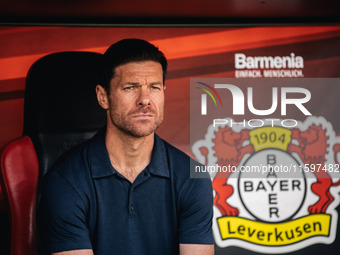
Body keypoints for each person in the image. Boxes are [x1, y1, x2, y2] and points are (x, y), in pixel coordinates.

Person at [39, 38, 214, 255]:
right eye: (131, 87)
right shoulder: (65, 181)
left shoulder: (192, 177)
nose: (145, 99)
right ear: (103, 97)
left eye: (154, 87)